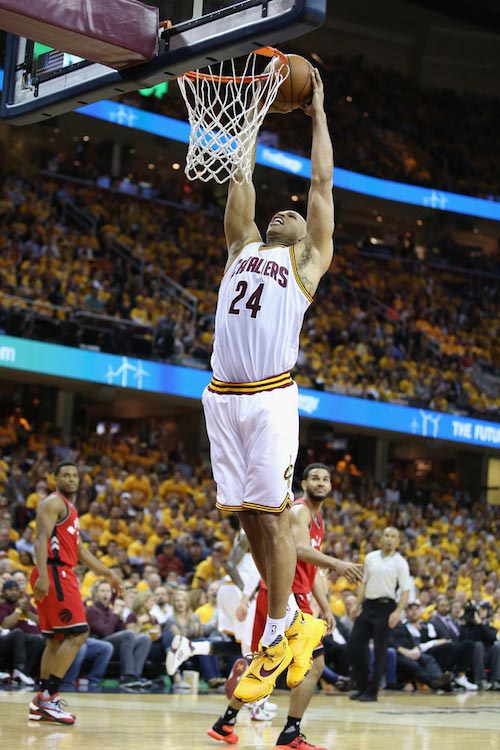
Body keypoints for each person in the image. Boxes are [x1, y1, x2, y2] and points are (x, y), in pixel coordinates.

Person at [201, 66, 335, 706]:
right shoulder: (240, 248)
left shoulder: (307, 263)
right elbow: (241, 177)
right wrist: (251, 110)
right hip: (222, 397)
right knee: (251, 518)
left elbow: (320, 184)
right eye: (277, 213)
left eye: (293, 215)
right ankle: (282, 628)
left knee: (276, 514)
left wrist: (316, 114)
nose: (284, 211)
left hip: (271, 395)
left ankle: (280, 632)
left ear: (306, 236)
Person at [208, 463, 363, 749]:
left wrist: (326, 606)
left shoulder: (318, 520)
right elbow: (300, 549)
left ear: (331, 486)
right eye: (314, 478)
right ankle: (290, 733)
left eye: (326, 479)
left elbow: (310, 566)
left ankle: (226, 722)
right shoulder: (299, 511)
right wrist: (338, 563)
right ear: (303, 484)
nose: (320, 483)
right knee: (315, 665)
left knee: (268, 661)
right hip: (283, 592)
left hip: (293, 594)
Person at [29, 460, 123, 724]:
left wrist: (109, 573)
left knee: (55, 640)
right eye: (65, 475)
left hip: (56, 571)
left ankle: (41, 701)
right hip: (54, 572)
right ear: (55, 478)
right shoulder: (53, 503)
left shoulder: (70, 510)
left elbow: (80, 551)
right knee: (79, 633)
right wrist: (44, 575)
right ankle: (49, 697)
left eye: (74, 475)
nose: (71, 479)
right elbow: (40, 539)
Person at [348, 526, 410, 701]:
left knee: (381, 651)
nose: (389, 539)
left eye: (393, 536)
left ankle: (373, 690)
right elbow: (364, 584)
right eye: (386, 535)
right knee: (354, 644)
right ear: (381, 538)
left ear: (397, 541)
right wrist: (356, 605)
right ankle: (361, 685)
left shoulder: (400, 562)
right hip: (368, 605)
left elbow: (405, 591)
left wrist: (397, 612)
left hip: (386, 607)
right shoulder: (370, 557)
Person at [85, 580, 151, 689]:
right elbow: (104, 632)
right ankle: (127, 675)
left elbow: (121, 632)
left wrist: (120, 618)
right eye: (102, 591)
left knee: (145, 638)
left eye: (108, 591)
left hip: (115, 645)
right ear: (96, 593)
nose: (106, 594)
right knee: (129, 634)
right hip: (101, 645)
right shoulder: (91, 610)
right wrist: (115, 615)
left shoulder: (111, 611)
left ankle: (135, 676)